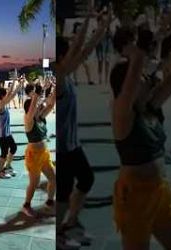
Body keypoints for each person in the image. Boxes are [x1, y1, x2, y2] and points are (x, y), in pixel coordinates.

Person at [110, 19, 171, 249]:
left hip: (159, 192)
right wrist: (134, 51)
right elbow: (134, 76)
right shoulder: (123, 117)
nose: (149, 80)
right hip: (134, 199)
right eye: (142, 79)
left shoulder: (150, 105)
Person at [56, 3, 112, 248]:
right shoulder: (57, 78)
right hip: (63, 148)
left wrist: (101, 29)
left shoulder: (65, 74)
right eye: (67, 53)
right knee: (64, 192)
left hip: (72, 145)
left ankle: (70, 221)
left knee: (86, 180)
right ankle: (59, 231)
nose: (73, 55)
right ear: (60, 57)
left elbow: (85, 48)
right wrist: (89, 20)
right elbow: (80, 46)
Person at [22, 82, 56, 218]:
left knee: (53, 178)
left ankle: (49, 202)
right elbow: (32, 109)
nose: (38, 107)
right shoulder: (28, 121)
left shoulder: (41, 118)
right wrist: (36, 93)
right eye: (35, 107)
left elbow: (51, 104)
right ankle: (26, 205)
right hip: (33, 155)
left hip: (44, 154)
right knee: (34, 183)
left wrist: (54, 89)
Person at [0, 80, 22, 179]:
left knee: (13, 148)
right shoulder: (0, 104)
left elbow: (10, 93)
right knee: (4, 153)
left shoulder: (3, 102)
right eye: (5, 94)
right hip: (2, 134)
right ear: (2, 96)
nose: (7, 94)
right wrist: (18, 87)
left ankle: (7, 166)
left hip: (7, 132)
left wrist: (15, 81)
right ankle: (0, 172)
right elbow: (12, 94)